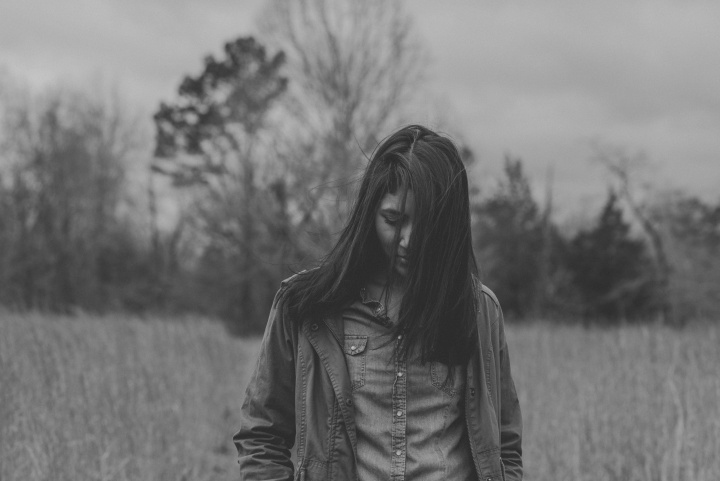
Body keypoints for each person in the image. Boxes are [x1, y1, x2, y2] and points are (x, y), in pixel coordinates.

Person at [233, 125, 522, 480]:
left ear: (449, 227)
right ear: (370, 213)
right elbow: (262, 435)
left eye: (428, 225)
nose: (409, 241)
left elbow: (504, 445)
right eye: (393, 220)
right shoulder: (305, 308)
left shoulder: (479, 311)